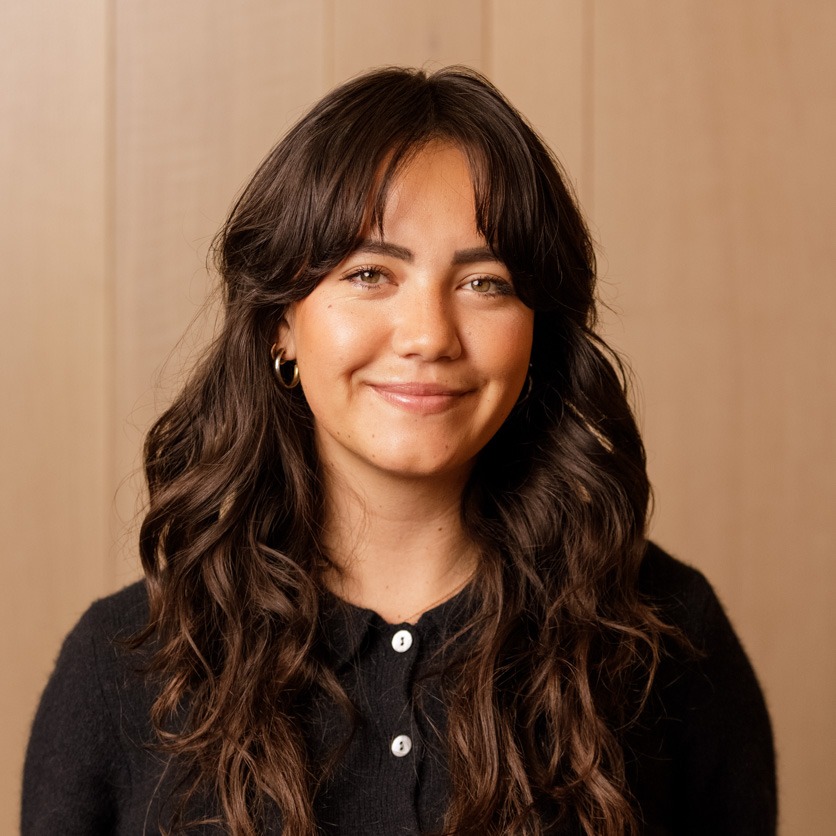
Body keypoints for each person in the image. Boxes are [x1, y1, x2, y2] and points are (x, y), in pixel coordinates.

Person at [22, 66, 776, 836]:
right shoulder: (122, 664)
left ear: (537, 331)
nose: (428, 336)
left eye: (484, 282)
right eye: (370, 273)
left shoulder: (665, 636)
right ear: (281, 324)